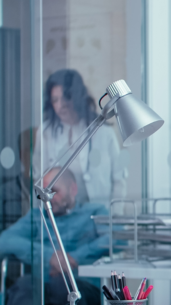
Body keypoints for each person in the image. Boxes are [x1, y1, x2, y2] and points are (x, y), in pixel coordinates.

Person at [0, 167, 108, 305]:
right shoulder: (38, 216)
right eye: (44, 193)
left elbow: (115, 238)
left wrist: (75, 257)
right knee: (24, 286)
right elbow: (5, 240)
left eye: (54, 191)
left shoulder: (95, 213)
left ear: (73, 189)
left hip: (84, 294)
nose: (48, 199)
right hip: (41, 296)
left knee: (63, 284)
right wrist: (49, 256)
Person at [33, 69, 128, 208]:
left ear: (77, 96)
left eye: (66, 97)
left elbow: (119, 180)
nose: (61, 105)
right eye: (55, 100)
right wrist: (40, 220)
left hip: (97, 215)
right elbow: (38, 180)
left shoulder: (103, 133)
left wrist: (113, 219)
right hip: (57, 215)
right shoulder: (45, 133)